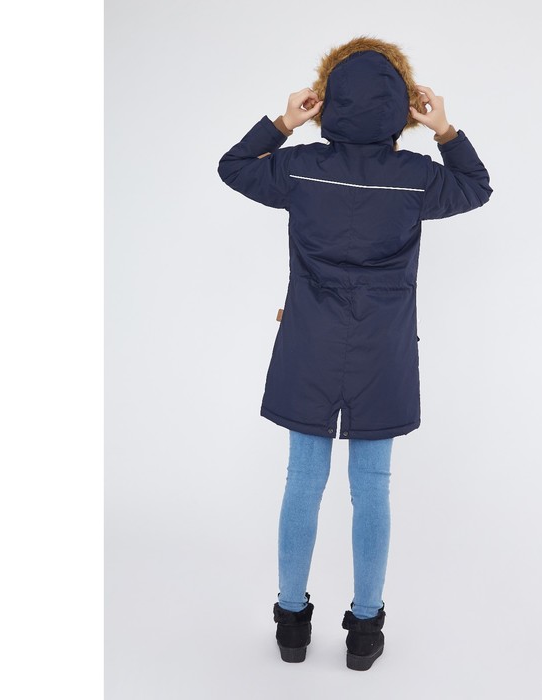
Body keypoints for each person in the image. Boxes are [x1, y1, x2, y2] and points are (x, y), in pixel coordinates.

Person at [217, 36, 493, 671]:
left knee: (303, 480)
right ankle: (365, 630)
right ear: (403, 106)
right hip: (382, 348)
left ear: (327, 101)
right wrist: (444, 129)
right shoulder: (417, 178)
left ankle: (291, 624)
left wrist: (284, 121)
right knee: (372, 486)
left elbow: (234, 166)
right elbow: (476, 186)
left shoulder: (299, 167)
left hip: (308, 340)